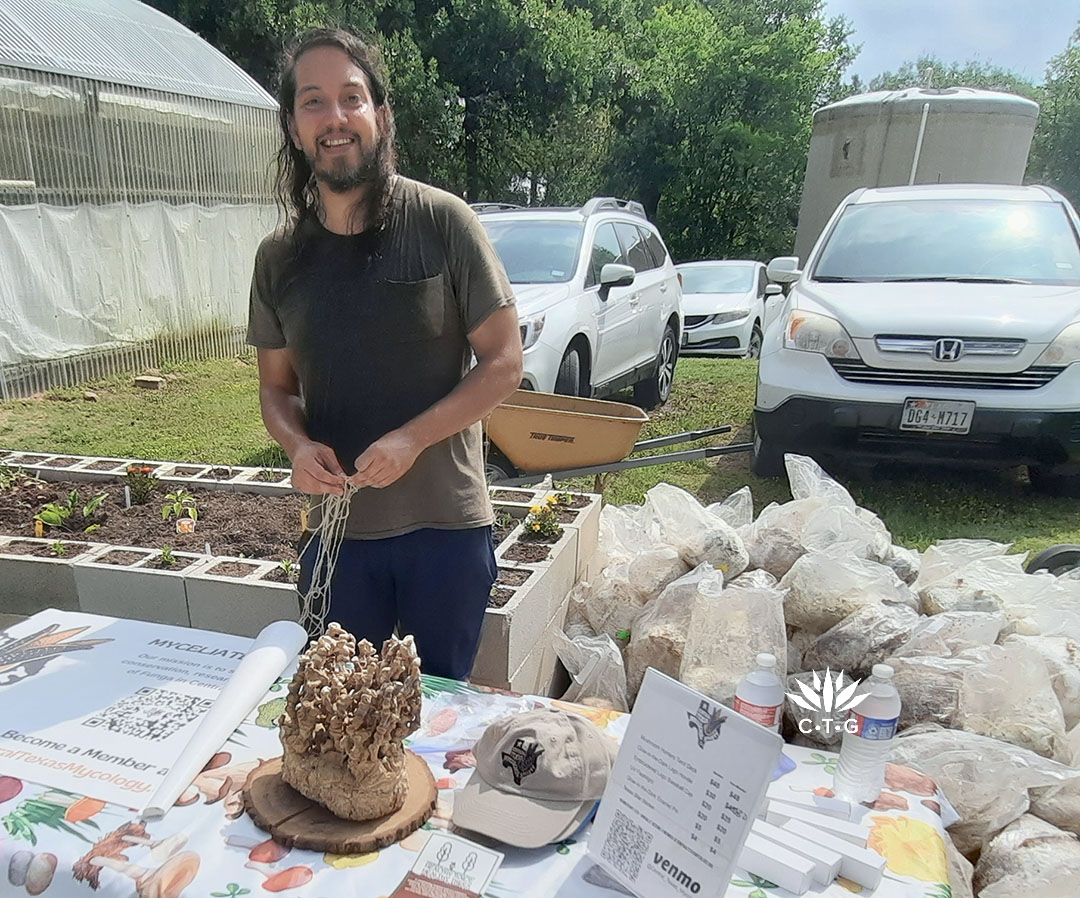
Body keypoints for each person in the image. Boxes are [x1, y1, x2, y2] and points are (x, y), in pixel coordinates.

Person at [246, 27, 523, 680]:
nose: (334, 117)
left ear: (381, 115)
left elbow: (504, 361)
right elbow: (276, 390)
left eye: (351, 97)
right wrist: (294, 445)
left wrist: (411, 439)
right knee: (342, 724)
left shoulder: (443, 222)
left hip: (445, 532)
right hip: (339, 537)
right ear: (293, 126)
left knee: (433, 717)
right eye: (313, 102)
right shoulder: (279, 258)